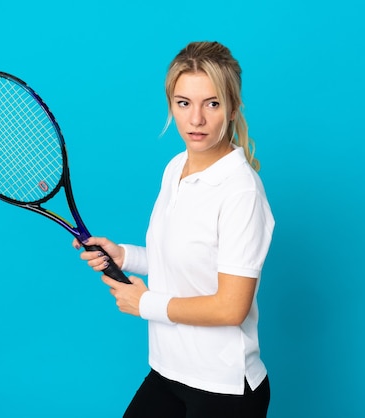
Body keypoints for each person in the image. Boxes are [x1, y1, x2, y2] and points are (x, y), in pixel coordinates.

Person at [73, 41, 275, 418]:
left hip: (223, 389)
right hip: (170, 371)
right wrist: (125, 256)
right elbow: (187, 262)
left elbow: (231, 306)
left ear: (233, 108)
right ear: (171, 105)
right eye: (184, 103)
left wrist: (146, 304)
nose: (195, 119)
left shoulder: (241, 192)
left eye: (211, 103)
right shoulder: (176, 167)